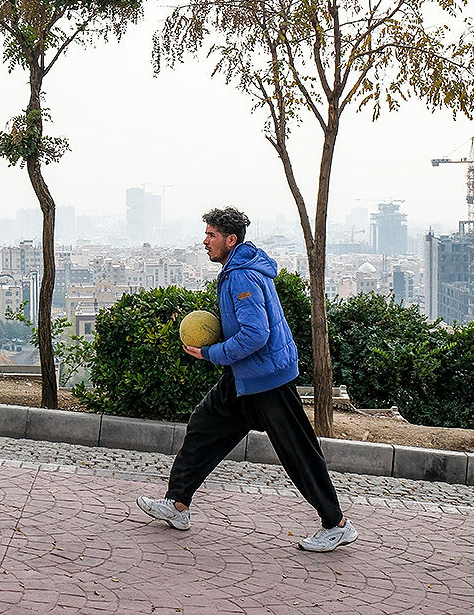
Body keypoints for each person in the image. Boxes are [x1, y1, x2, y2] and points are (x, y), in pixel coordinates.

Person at [136, 207, 357, 552]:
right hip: (243, 378)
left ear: (230, 239)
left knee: (298, 452)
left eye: (211, 235)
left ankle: (336, 524)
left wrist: (212, 353)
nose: (205, 241)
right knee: (203, 425)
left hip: (267, 379)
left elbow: (256, 333)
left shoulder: (240, 275)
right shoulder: (239, 268)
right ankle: (177, 504)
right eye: (206, 234)